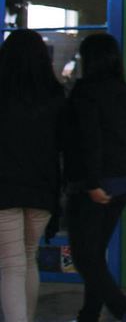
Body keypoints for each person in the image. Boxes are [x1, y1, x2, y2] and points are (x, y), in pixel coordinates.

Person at [64, 33, 126, 322]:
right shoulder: (123, 90)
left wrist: (92, 183)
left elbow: (90, 138)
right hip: (120, 184)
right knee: (95, 256)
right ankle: (89, 315)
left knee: (85, 258)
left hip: (94, 186)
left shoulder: (86, 91)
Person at [0, 29, 65, 322]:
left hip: (4, 190)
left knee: (10, 264)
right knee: (28, 257)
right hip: (42, 188)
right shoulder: (54, 95)